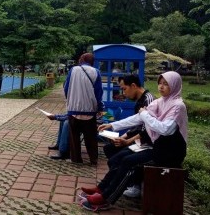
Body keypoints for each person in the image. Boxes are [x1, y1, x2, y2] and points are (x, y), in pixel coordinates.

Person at [80, 71, 188, 212]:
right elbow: (138, 118)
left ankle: (105, 199)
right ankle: (101, 189)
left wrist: (144, 114)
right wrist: (113, 125)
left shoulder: (178, 106)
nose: (161, 87)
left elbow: (165, 129)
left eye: (166, 84)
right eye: (160, 83)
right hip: (157, 147)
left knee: (129, 162)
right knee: (120, 157)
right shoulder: (160, 102)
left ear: (175, 85)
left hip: (170, 153)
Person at [102, 74, 155, 198]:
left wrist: (127, 141)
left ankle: (130, 183)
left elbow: (147, 129)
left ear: (133, 86)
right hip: (138, 139)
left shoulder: (149, 100)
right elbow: (135, 124)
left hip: (146, 143)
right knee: (110, 149)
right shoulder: (139, 101)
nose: (123, 93)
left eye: (124, 89)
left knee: (120, 157)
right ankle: (117, 181)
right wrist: (121, 135)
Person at [64, 53, 104, 165]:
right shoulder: (96, 72)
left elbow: (66, 87)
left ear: (82, 59)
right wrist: (99, 107)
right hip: (90, 110)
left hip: (73, 109)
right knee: (91, 137)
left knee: (74, 137)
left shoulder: (73, 70)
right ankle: (93, 159)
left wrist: (70, 100)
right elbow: (98, 92)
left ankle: (76, 159)